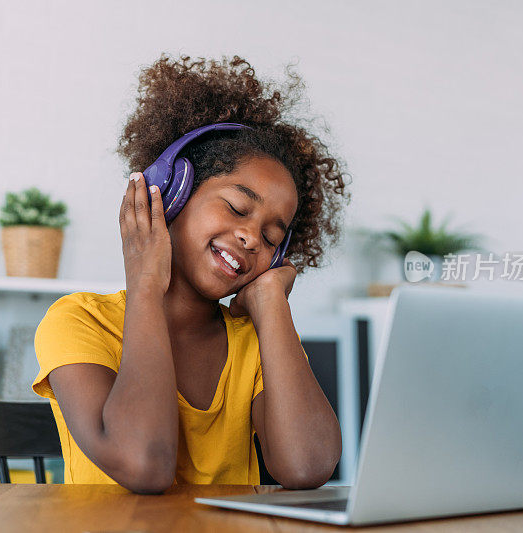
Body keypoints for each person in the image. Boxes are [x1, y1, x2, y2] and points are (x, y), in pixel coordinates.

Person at [32, 54, 350, 493]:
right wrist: (146, 285)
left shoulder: (255, 341)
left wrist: (271, 303)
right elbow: (144, 464)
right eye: (238, 208)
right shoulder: (79, 321)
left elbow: (306, 466)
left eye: (273, 238)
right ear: (172, 194)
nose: (252, 238)